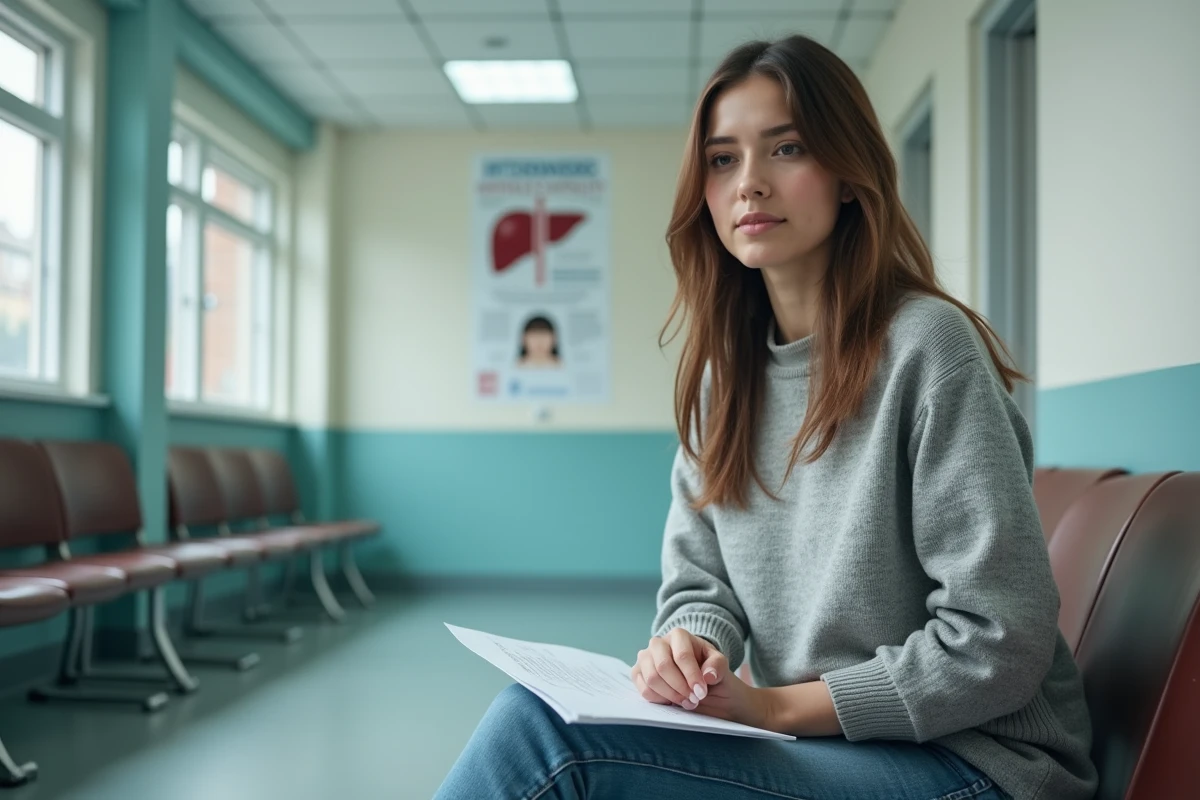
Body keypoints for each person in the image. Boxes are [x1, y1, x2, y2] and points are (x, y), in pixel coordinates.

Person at [435, 34, 1097, 800]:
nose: (749, 184)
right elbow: (700, 586)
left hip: (975, 764)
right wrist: (688, 649)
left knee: (544, 743)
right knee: (540, 710)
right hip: (829, 746)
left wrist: (771, 706)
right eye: (723, 159)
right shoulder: (726, 376)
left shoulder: (926, 347)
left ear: (848, 175)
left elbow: (998, 642)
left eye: (785, 149)